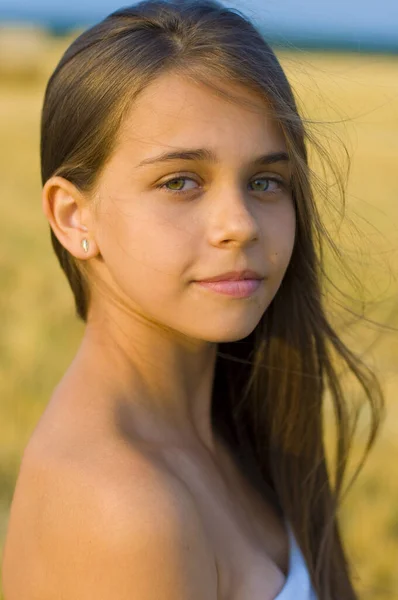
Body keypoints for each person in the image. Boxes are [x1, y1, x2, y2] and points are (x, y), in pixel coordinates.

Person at [1, 1, 384, 599]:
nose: (240, 225)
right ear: (75, 216)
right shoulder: (123, 508)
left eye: (265, 181)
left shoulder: (232, 425)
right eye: (180, 181)